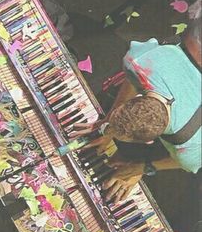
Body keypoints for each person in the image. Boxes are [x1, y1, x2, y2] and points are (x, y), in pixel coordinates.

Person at [71, 13, 202, 203]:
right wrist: (107, 124)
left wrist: (142, 167)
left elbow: (182, 164)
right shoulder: (140, 63)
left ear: (149, 142)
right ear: (139, 97)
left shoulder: (190, 148)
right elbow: (133, 79)